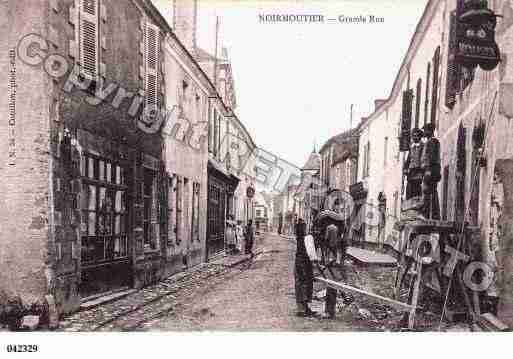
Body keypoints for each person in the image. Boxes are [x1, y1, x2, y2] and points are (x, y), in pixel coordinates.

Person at [294, 218, 317, 317]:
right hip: (301, 263)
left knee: (306, 285)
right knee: (301, 285)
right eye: (303, 227)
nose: (305, 228)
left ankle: (306, 308)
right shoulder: (302, 239)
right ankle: (301, 309)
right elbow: (306, 253)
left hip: (304, 263)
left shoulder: (303, 238)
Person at [421, 123, 441, 220]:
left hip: (431, 171)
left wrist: (428, 170)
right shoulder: (431, 142)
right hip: (432, 170)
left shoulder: (432, 142)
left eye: (425, 131)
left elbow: (431, 157)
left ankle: (430, 214)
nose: (424, 133)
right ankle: (432, 214)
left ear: (429, 131)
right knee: (431, 192)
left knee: (428, 191)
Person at [403, 128, 425, 200]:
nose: (415, 137)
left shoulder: (423, 146)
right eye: (413, 136)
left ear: (420, 136)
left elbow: (424, 159)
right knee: (409, 190)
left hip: (419, 171)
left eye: (416, 136)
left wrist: (422, 170)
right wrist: (405, 169)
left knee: (417, 191)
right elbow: (408, 159)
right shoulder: (411, 147)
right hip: (411, 172)